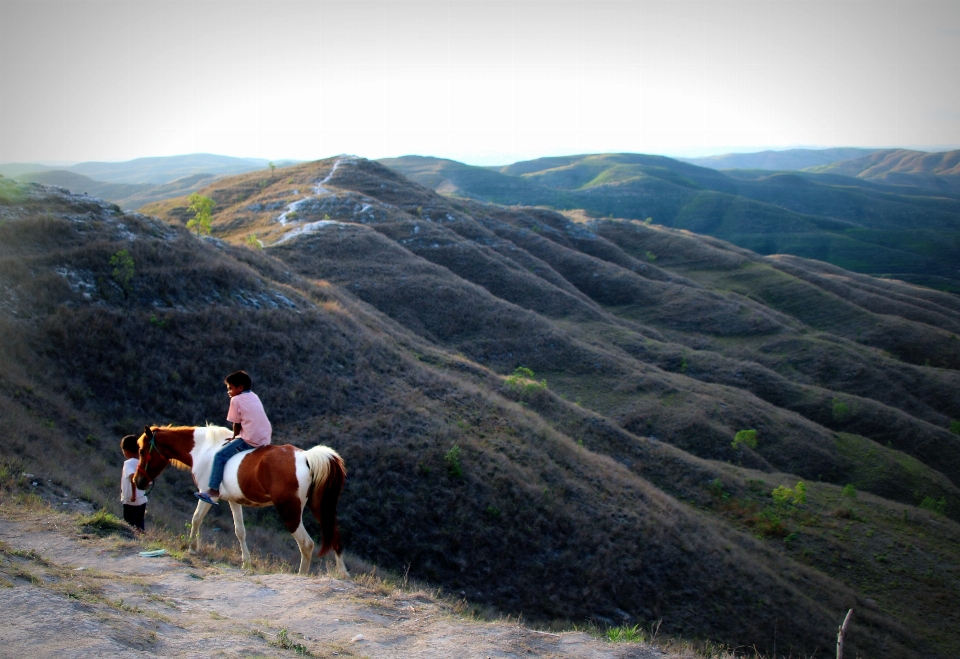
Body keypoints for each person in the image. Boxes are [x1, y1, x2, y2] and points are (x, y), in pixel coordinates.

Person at [195, 370, 272, 505]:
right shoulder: (254, 396)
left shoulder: (235, 400)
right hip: (265, 437)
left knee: (220, 455)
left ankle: (213, 490)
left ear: (240, 388)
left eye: (230, 388)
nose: (228, 392)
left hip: (251, 440)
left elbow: (236, 424)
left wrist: (235, 437)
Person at [120, 434, 148, 532]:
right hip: (142, 499)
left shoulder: (128, 463)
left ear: (126, 451)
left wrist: (133, 495)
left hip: (131, 501)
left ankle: (132, 542)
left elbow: (133, 478)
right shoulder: (142, 462)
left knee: (129, 526)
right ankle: (142, 542)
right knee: (139, 525)